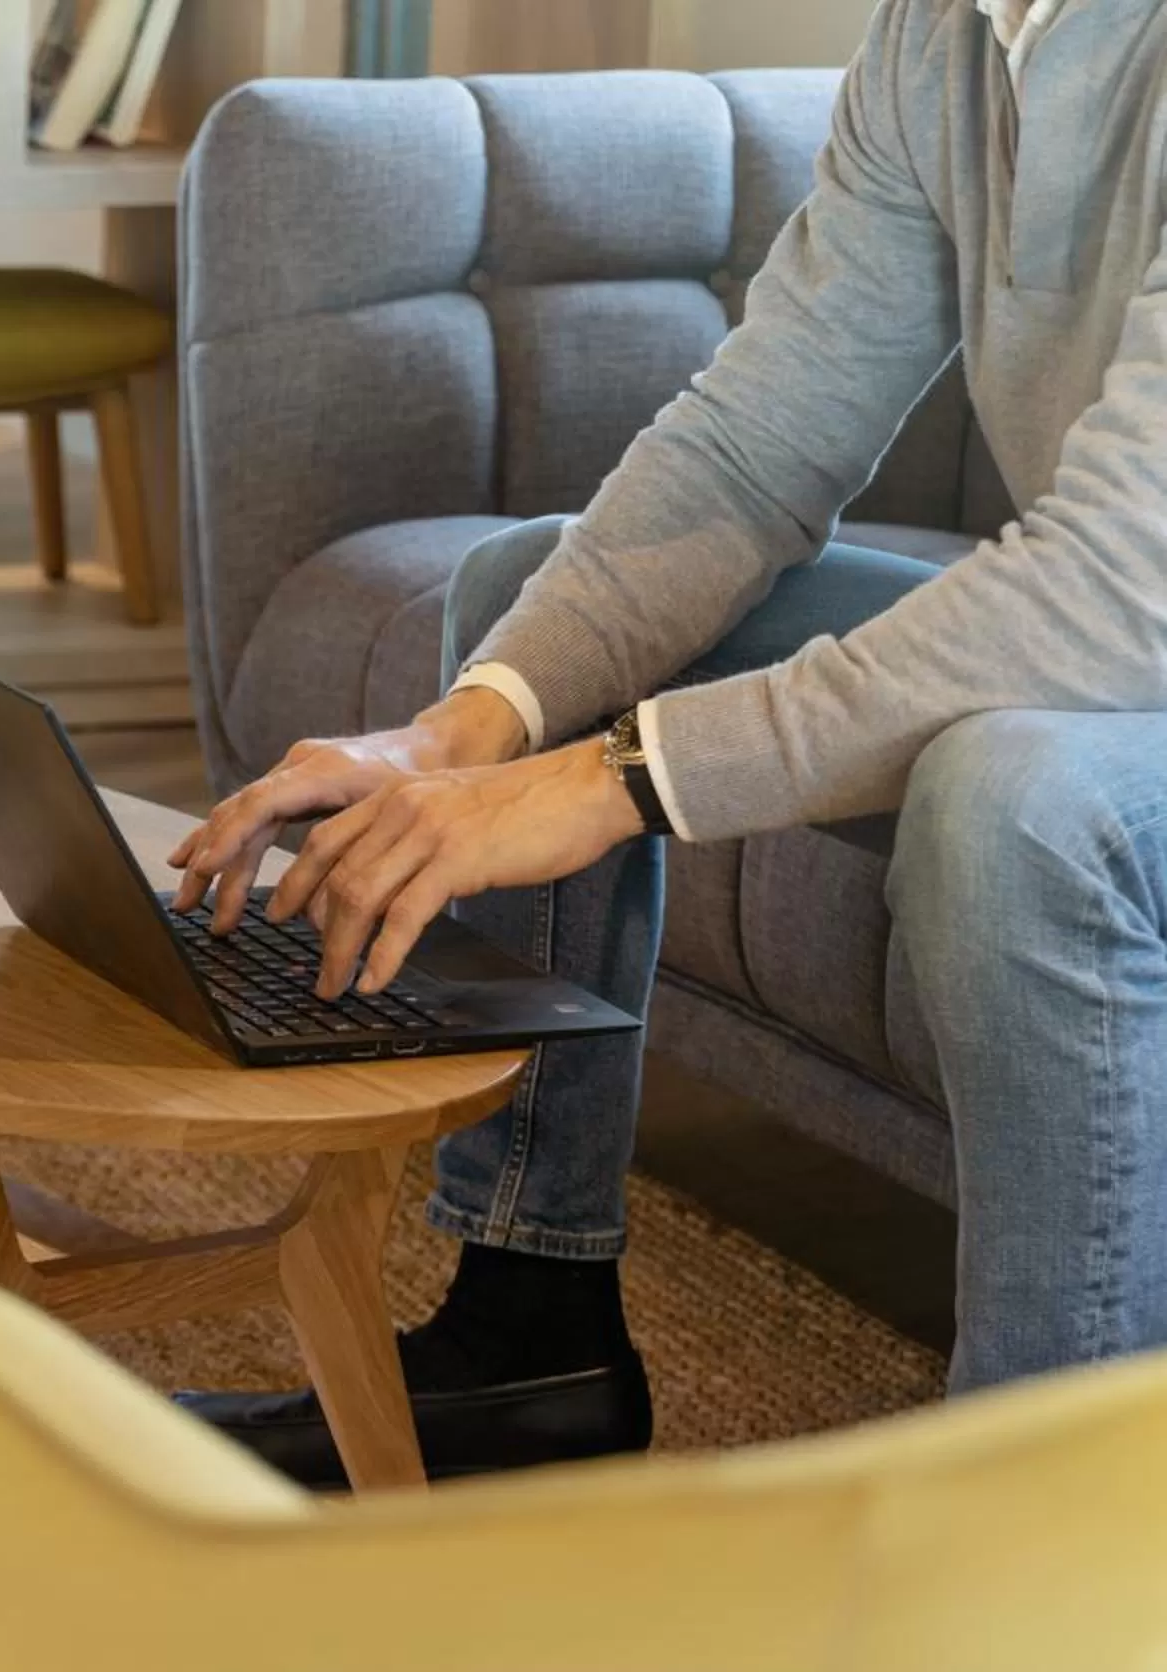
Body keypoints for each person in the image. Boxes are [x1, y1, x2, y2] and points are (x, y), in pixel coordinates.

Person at [167, 0, 1167, 1487]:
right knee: (526, 612)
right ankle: (529, 1337)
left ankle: (1044, 1503)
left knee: (1012, 798)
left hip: (1128, 631)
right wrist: (460, 739)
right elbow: (762, 441)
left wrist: (613, 781)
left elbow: (1123, 590)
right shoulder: (945, 36)